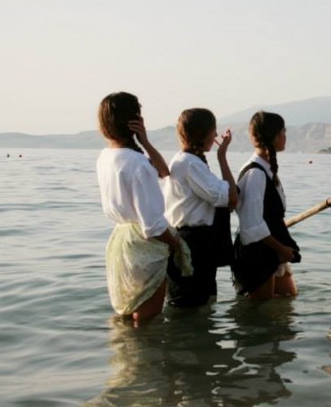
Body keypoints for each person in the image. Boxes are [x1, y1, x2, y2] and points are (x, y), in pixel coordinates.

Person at [96, 92, 191, 324]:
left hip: (121, 242)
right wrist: (176, 245)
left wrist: (144, 142)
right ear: (134, 121)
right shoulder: (136, 163)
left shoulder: (106, 157)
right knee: (147, 320)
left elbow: (163, 172)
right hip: (144, 245)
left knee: (128, 316)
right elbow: (153, 226)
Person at [162, 108, 239, 307]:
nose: (215, 135)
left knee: (197, 302)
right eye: (213, 130)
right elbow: (231, 197)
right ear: (202, 133)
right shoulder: (190, 164)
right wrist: (222, 157)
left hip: (195, 243)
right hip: (193, 244)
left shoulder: (189, 161)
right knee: (193, 303)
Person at [231, 111, 300, 300]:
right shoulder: (256, 174)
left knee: (287, 299)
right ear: (277, 136)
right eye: (284, 132)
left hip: (271, 248)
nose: (285, 136)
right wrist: (282, 250)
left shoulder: (266, 170)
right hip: (258, 252)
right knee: (261, 315)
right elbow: (252, 227)